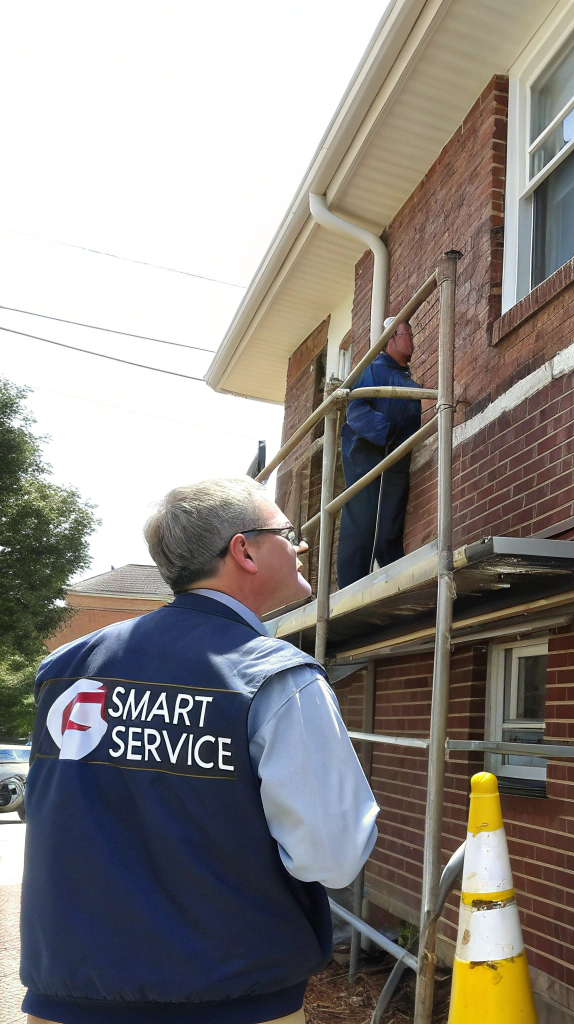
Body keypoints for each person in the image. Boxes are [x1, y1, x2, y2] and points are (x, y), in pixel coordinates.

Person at [22, 477, 379, 1024]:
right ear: (245, 550)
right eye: (289, 532)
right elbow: (330, 855)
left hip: (67, 996)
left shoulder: (66, 667)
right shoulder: (276, 678)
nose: (301, 545)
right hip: (229, 998)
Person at [337, 317, 423, 588]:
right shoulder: (373, 369)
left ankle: (392, 580)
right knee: (363, 523)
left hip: (396, 457)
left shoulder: (406, 380)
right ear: (391, 339)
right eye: (406, 333)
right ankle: (351, 586)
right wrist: (385, 433)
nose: (412, 339)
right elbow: (356, 410)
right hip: (368, 453)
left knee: (390, 523)